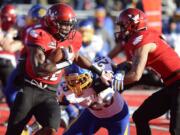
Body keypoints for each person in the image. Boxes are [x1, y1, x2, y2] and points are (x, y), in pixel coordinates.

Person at [5, 3, 111, 135]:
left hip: (49, 94)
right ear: (52, 22)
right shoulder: (39, 34)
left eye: (69, 24)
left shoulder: (73, 37)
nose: (67, 28)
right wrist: (65, 62)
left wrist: (99, 72)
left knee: (51, 131)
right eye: (63, 24)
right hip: (29, 89)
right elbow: (39, 69)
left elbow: (77, 58)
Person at [112, 8, 180, 135]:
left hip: (178, 83)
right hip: (171, 84)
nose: (121, 29)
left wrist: (109, 81)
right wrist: (116, 68)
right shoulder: (146, 35)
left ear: (133, 23)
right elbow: (135, 64)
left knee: (176, 130)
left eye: (123, 25)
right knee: (140, 116)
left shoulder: (142, 39)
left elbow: (135, 76)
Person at [58, 56, 130, 135]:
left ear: (89, 75)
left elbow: (127, 64)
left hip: (118, 117)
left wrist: (120, 72)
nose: (76, 85)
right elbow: (61, 105)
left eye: (80, 80)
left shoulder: (103, 73)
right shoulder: (65, 89)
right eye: (72, 82)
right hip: (92, 115)